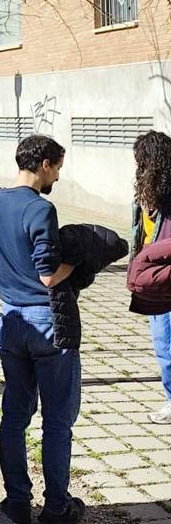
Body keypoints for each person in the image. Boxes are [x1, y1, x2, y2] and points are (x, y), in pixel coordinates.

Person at [0, 135, 83, 524]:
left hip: (10, 320)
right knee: (57, 420)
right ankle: (56, 507)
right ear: (44, 165)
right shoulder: (41, 208)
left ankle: (17, 502)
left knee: (14, 416)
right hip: (46, 323)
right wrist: (80, 263)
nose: (57, 176)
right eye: (57, 168)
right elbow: (48, 275)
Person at [132, 131, 171, 423]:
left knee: (166, 343)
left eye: (141, 162)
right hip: (152, 278)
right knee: (163, 344)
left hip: (165, 277)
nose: (137, 168)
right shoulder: (147, 195)